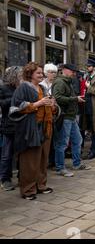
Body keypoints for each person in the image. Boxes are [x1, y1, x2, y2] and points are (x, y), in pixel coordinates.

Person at [9, 62, 57, 200]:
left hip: (45, 127)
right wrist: (37, 104)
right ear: (30, 74)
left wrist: (52, 105)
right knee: (29, 161)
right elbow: (15, 108)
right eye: (39, 73)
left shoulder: (42, 87)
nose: (42, 75)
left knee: (42, 159)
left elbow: (50, 106)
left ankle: (41, 185)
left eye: (42, 73)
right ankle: (28, 190)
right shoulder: (23, 88)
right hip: (30, 129)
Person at [52, 64, 88, 177]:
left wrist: (76, 99)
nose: (75, 74)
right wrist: (75, 99)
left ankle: (76, 163)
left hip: (71, 117)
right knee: (62, 143)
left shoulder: (68, 82)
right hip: (64, 117)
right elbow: (57, 98)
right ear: (65, 71)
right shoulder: (60, 82)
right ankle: (60, 168)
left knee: (78, 139)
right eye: (73, 71)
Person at [0, 66, 22, 191]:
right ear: (14, 76)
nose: (22, 78)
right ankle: (5, 179)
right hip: (8, 125)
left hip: (21, 125)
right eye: (20, 75)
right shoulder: (3, 88)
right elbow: (2, 104)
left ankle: (21, 176)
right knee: (7, 154)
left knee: (21, 154)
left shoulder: (22, 87)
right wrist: (15, 97)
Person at [41, 63, 58, 168]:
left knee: (54, 138)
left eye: (54, 72)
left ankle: (53, 160)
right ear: (46, 73)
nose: (53, 74)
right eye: (50, 72)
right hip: (44, 114)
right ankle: (45, 160)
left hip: (55, 113)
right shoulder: (41, 84)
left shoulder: (56, 84)